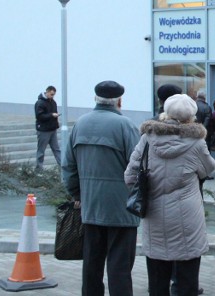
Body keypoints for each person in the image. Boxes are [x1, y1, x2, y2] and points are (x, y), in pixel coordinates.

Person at [125, 94, 215, 296]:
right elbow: (208, 169)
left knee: (157, 275)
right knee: (187, 276)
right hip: (187, 215)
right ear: (191, 116)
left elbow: (130, 176)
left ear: (165, 113)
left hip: (155, 213)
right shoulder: (196, 143)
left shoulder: (147, 139)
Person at [61, 81, 141, 296]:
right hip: (122, 208)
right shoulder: (126, 126)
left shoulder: (80, 124)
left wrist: (79, 195)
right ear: (119, 101)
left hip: (91, 207)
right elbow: (139, 168)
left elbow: (68, 166)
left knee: (91, 264)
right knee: (120, 267)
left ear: (95, 98)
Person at [34, 85, 61, 170]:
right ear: (47, 92)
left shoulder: (53, 102)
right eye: (51, 94)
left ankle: (62, 166)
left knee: (56, 149)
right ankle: (39, 168)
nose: (52, 96)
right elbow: (39, 116)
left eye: (54, 95)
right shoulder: (40, 103)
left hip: (52, 129)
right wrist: (51, 115)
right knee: (41, 150)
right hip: (43, 130)